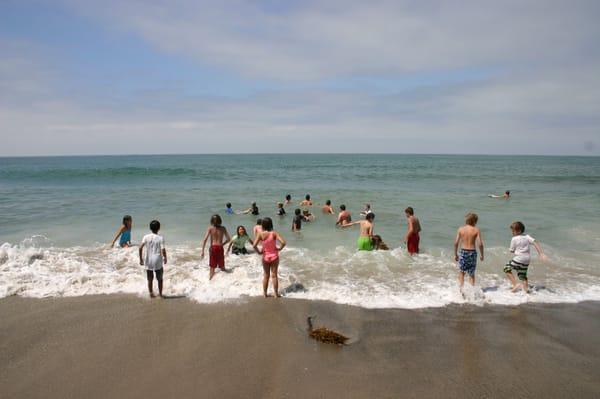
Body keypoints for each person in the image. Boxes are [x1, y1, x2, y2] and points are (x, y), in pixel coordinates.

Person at [504, 221, 548, 293]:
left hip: (519, 258)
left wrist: (513, 250)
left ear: (519, 231)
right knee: (523, 275)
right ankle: (526, 291)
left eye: (513, 231)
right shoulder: (527, 236)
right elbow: (535, 242)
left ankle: (515, 284)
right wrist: (541, 253)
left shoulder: (514, 239)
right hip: (527, 259)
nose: (512, 233)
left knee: (506, 269)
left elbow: (511, 250)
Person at [253, 217, 286, 298]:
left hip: (265, 257)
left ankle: (264, 294)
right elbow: (283, 242)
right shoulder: (274, 233)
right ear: (271, 224)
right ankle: (275, 294)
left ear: (262, 225)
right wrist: (279, 249)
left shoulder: (260, 234)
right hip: (274, 256)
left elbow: (254, 245)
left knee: (266, 276)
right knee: (274, 275)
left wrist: (259, 252)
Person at [453, 213, 484, 292]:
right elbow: (480, 244)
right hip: (472, 253)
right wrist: (482, 255)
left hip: (463, 252)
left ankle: (461, 290)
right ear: (475, 221)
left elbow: (456, 243)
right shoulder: (476, 230)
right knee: (471, 273)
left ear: (466, 220)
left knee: (462, 272)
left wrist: (455, 254)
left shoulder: (461, 229)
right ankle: (471, 292)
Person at [138, 220, 167, 298]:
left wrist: (141, 259)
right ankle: (160, 294)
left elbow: (140, 248)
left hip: (148, 260)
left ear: (150, 228)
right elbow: (163, 249)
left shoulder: (146, 237)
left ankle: (151, 294)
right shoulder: (160, 238)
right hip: (157, 260)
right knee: (160, 279)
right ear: (159, 228)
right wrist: (165, 258)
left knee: (150, 278)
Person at [201, 214, 231, 280]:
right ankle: (226, 282)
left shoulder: (210, 228)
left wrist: (202, 251)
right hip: (220, 247)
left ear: (212, 221)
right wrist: (222, 244)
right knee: (222, 266)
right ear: (220, 220)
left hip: (213, 248)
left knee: (212, 267)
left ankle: (210, 281)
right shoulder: (223, 228)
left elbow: (205, 240)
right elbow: (229, 239)